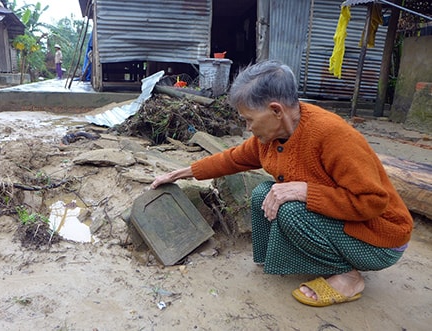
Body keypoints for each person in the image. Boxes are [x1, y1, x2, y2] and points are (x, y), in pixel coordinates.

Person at [150, 60, 413, 307]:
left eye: (249, 120)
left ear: (276, 110)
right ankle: (277, 259)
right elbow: (232, 159)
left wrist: (306, 191)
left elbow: (373, 202)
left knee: (290, 209)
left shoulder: (331, 135)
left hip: (381, 238)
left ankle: (350, 278)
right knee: (263, 192)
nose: (248, 127)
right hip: (348, 224)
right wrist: (179, 174)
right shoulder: (274, 136)